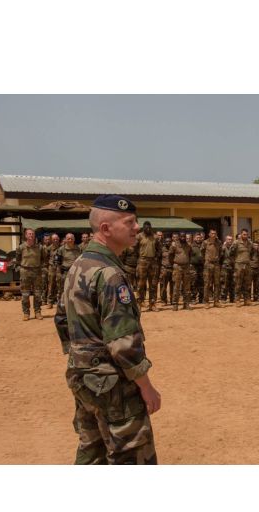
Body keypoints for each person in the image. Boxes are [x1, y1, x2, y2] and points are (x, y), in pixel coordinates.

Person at [54, 194, 160, 465]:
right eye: (130, 222)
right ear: (106, 229)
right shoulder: (109, 274)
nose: (137, 227)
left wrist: (83, 360)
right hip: (114, 387)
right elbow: (123, 344)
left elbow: (61, 320)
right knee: (130, 457)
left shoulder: (79, 265)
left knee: (92, 454)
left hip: (84, 379)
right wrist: (146, 387)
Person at [15, 228, 46, 321]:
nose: (31, 235)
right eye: (29, 234)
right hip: (25, 272)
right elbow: (18, 259)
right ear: (25, 235)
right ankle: (26, 313)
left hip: (37, 272)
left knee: (38, 294)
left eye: (32, 234)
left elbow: (44, 259)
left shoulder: (40, 247)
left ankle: (37, 312)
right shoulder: (21, 247)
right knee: (25, 294)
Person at [136, 221, 162, 312]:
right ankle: (139, 303)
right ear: (143, 228)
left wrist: (155, 257)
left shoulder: (155, 237)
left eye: (149, 227)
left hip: (152, 262)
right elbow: (134, 249)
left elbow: (159, 249)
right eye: (146, 227)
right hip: (142, 261)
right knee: (141, 284)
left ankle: (152, 303)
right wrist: (138, 258)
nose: (148, 229)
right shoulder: (139, 236)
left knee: (153, 284)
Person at [230, 228, 255, 307]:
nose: (245, 236)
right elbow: (231, 253)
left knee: (247, 283)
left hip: (247, 265)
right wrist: (236, 261)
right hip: (239, 265)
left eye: (247, 234)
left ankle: (247, 300)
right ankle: (237, 300)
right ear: (241, 234)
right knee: (238, 283)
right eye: (244, 234)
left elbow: (252, 253)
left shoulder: (250, 243)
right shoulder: (236, 243)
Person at [169, 231, 192, 310]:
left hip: (186, 267)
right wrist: (175, 263)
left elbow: (190, 255)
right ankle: (175, 304)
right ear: (179, 237)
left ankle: (186, 303)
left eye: (184, 237)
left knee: (187, 287)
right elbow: (170, 256)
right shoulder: (174, 245)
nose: (183, 238)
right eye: (181, 236)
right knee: (176, 286)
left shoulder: (188, 245)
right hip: (177, 267)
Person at [201, 228, 223, 309]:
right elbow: (202, 253)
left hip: (216, 265)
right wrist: (207, 260)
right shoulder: (205, 242)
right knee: (207, 284)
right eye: (212, 233)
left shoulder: (219, 242)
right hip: (208, 265)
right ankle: (206, 302)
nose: (214, 235)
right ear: (209, 234)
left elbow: (221, 252)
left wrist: (217, 259)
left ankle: (216, 301)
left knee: (217, 284)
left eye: (215, 233)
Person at [55, 233, 82, 300]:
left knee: (75, 289)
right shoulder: (61, 249)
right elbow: (57, 262)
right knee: (63, 289)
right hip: (65, 273)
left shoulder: (78, 248)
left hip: (76, 273)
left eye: (72, 238)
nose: (70, 240)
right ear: (66, 240)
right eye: (68, 239)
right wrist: (58, 274)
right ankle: (62, 304)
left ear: (74, 239)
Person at [46, 233, 60, 309]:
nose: (55, 240)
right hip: (52, 268)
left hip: (59, 268)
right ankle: (50, 302)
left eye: (56, 239)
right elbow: (45, 258)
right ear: (51, 240)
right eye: (54, 239)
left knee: (59, 285)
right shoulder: (49, 248)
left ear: (59, 239)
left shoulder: (62, 247)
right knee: (51, 285)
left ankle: (59, 302)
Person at [190, 232, 204, 304]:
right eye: (197, 238)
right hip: (193, 267)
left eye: (200, 238)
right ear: (194, 238)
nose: (198, 239)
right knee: (194, 282)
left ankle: (201, 298)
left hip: (202, 266)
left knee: (202, 282)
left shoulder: (204, 245)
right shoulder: (191, 246)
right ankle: (193, 298)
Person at [221, 235, 235, 303]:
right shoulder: (223, 248)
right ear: (226, 240)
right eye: (228, 239)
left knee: (232, 283)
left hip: (232, 267)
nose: (230, 241)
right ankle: (223, 298)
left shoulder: (234, 248)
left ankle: (232, 298)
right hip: (225, 267)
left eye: (231, 239)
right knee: (225, 283)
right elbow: (220, 257)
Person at [159, 237, 173, 305]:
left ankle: (172, 300)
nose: (168, 242)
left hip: (172, 269)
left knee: (173, 286)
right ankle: (164, 300)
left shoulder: (174, 248)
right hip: (164, 269)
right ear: (165, 242)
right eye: (167, 241)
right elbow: (159, 259)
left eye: (170, 241)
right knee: (163, 286)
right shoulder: (162, 249)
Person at [41, 233, 52, 304]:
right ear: (43, 240)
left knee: (51, 284)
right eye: (46, 239)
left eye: (48, 239)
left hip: (51, 267)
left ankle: (50, 300)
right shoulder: (41, 248)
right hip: (43, 268)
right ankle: (43, 299)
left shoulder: (52, 247)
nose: (47, 241)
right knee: (43, 284)